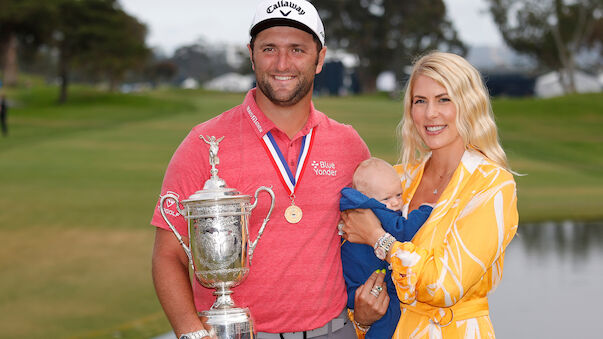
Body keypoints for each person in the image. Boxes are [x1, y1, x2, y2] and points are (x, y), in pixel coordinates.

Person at [150, 1, 374, 338]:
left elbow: (371, 232)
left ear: (320, 58)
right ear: (251, 54)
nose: (282, 63)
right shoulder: (204, 143)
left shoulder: (348, 145)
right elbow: (168, 255)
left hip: (334, 331)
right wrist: (191, 333)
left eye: (297, 49)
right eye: (269, 48)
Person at [341, 51, 519, 338]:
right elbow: (355, 261)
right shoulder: (398, 179)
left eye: (444, 99)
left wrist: (378, 238)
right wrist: (361, 320)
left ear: (468, 103)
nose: (430, 113)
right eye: (420, 101)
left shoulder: (493, 186)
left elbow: (445, 285)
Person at [339, 157, 433, 338]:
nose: (396, 203)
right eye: (387, 198)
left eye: (399, 195)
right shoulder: (374, 209)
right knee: (388, 321)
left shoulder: (356, 207)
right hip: (374, 286)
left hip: (353, 287)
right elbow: (402, 231)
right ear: (366, 196)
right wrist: (426, 211)